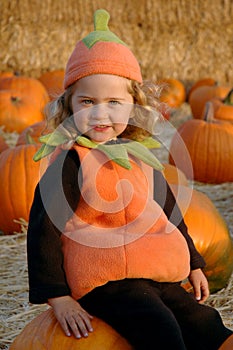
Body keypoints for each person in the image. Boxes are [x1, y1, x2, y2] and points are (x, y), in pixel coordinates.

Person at [27, 9, 233, 350]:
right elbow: (43, 227)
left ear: (133, 106)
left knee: (202, 321)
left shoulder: (140, 156)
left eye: (114, 102)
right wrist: (58, 296)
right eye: (87, 101)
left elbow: (170, 212)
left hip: (152, 271)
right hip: (104, 279)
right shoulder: (71, 162)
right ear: (69, 106)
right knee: (159, 327)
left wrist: (195, 264)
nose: (100, 113)